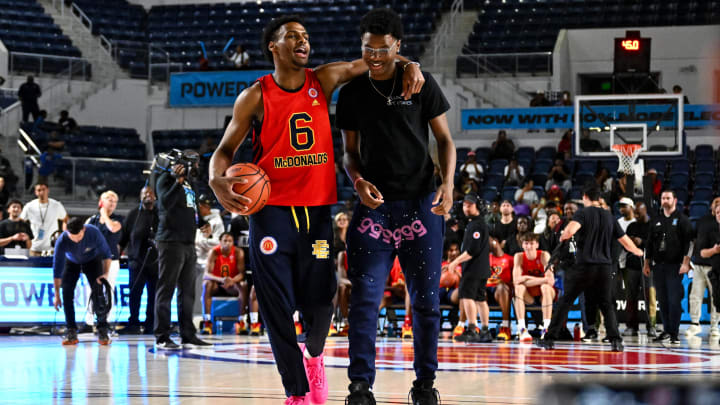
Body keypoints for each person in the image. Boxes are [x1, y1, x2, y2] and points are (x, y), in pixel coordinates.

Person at [208, 13, 424, 405]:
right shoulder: (254, 96)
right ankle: (295, 391)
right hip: (271, 212)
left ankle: (315, 357)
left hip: (317, 214)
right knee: (275, 306)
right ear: (274, 47)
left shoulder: (322, 79)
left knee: (321, 300)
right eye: (293, 36)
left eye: (305, 36)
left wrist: (410, 63)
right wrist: (214, 177)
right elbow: (224, 150)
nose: (303, 41)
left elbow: (373, 61)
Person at [337, 8, 455, 404]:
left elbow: (446, 141)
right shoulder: (352, 93)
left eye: (383, 49)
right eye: (368, 49)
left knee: (426, 302)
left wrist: (449, 183)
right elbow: (349, 153)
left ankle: (424, 384)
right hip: (374, 208)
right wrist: (357, 181)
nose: (374, 56)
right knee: (365, 301)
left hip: (421, 206)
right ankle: (359, 385)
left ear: (398, 47)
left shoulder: (419, 84)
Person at [537, 183, 643, 352]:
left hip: (584, 267)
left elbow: (569, 232)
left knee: (565, 302)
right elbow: (625, 241)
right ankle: (615, 341)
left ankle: (549, 339)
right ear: (599, 199)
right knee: (607, 304)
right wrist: (638, 251)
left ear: (585, 198)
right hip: (604, 268)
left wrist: (563, 236)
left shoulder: (583, 213)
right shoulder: (609, 216)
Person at [154, 150, 211, 350]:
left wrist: (202, 222)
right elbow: (165, 205)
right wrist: (176, 182)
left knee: (187, 291)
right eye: (193, 164)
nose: (196, 168)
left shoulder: (190, 184)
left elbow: (191, 209)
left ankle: (188, 334)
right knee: (166, 289)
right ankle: (162, 336)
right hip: (170, 241)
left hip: (188, 242)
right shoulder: (164, 179)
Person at [643, 190, 693, 345]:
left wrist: (685, 263)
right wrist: (646, 263)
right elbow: (649, 244)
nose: (665, 200)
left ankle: (674, 333)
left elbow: (689, 243)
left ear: (675, 200)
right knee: (662, 301)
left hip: (675, 266)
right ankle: (666, 329)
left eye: (668, 198)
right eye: (663, 198)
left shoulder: (682, 220)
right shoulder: (656, 220)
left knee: (673, 300)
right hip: (658, 266)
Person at [52, 218, 112, 345]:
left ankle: (102, 330)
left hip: (92, 260)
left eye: (78, 237)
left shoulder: (93, 232)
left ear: (83, 229)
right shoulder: (62, 240)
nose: (76, 240)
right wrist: (57, 295)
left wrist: (105, 274)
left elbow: (107, 254)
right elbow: (57, 270)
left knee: (98, 293)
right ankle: (71, 331)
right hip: (71, 262)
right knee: (66, 293)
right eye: (72, 237)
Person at [444, 193, 491, 344]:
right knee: (480, 299)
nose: (466, 207)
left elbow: (472, 250)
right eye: (464, 205)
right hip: (482, 268)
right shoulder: (476, 223)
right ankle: (485, 331)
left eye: (470, 204)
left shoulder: (476, 225)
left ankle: (472, 329)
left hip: (473, 269)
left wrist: (454, 262)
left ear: (477, 206)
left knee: (467, 297)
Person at [118, 186, 159, 335]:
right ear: (140, 196)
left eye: (150, 193)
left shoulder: (160, 214)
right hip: (136, 262)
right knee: (135, 294)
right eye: (144, 193)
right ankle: (133, 323)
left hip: (156, 263)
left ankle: (150, 325)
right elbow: (122, 239)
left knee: (153, 295)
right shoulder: (132, 215)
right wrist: (115, 258)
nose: (147, 195)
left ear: (155, 196)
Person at [85, 190, 123, 327]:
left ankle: (106, 321)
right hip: (93, 261)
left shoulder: (117, 219)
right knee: (91, 290)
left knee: (108, 289)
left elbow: (112, 228)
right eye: (109, 199)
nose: (112, 203)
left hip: (111, 261)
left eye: (114, 201)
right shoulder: (92, 220)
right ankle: (89, 321)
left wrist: (104, 215)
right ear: (101, 202)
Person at [201, 232, 248, 334]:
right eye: (225, 241)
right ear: (220, 242)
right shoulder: (214, 252)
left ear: (233, 242)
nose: (227, 243)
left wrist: (232, 281)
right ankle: (207, 322)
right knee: (206, 284)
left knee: (243, 285)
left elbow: (242, 274)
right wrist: (221, 280)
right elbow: (206, 274)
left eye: (230, 241)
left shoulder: (238, 252)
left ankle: (241, 321)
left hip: (232, 285)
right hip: (217, 284)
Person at [687, 197, 720, 339]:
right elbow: (692, 240)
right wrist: (687, 260)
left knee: (716, 298)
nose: (717, 207)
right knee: (695, 296)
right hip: (699, 265)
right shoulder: (702, 220)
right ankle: (694, 324)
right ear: (712, 206)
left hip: (715, 267)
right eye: (715, 204)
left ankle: (714, 326)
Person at [512, 233, 553, 342]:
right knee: (518, 288)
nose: (529, 246)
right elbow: (516, 281)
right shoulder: (519, 257)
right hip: (529, 296)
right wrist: (541, 280)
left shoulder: (544, 255)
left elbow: (550, 281)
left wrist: (525, 278)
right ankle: (522, 329)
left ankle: (546, 328)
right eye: (526, 243)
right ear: (522, 245)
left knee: (545, 287)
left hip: (543, 295)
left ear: (537, 245)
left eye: (531, 243)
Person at [622, 201, 654, 337]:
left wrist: (642, 242)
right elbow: (624, 245)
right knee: (630, 298)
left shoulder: (652, 226)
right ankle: (631, 327)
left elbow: (655, 244)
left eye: (638, 213)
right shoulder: (631, 226)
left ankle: (651, 326)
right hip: (631, 266)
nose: (636, 215)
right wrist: (631, 242)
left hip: (648, 266)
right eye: (634, 212)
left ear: (645, 210)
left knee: (650, 297)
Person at [194, 194, 224, 319]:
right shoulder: (196, 219)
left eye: (203, 206)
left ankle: (203, 319)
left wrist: (202, 242)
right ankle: (193, 318)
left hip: (209, 262)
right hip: (194, 260)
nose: (201, 208)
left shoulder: (217, 221)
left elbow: (219, 243)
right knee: (193, 292)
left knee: (204, 291)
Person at [21, 181, 68, 256]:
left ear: (48, 190)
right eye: (39, 190)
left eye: (44, 189)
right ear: (35, 192)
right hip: (34, 247)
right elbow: (21, 222)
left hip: (52, 248)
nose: (42, 192)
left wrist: (64, 234)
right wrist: (27, 237)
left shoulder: (56, 205)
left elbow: (66, 220)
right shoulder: (29, 206)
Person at [487, 236, 514, 340]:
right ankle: (479, 327)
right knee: (477, 289)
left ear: (496, 241)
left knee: (502, 287)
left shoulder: (510, 259)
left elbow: (514, 280)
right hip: (486, 290)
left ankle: (505, 326)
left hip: (501, 291)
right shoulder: (485, 258)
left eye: (489, 241)